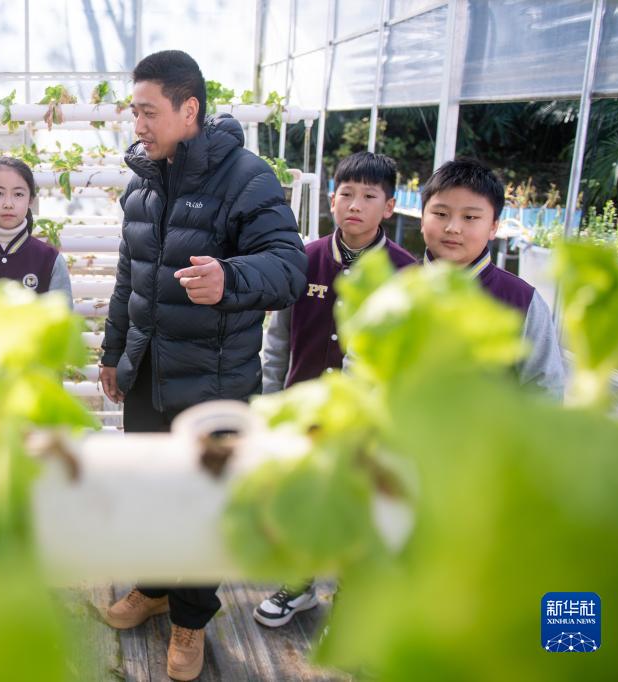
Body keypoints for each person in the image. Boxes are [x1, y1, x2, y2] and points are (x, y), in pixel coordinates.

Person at [98, 49, 308, 682]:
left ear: (189, 109)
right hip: (147, 376)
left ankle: (191, 619)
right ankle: (156, 586)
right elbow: (130, 276)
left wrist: (230, 278)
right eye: (134, 112)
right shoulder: (143, 182)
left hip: (214, 385)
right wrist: (113, 352)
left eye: (149, 112)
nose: (138, 125)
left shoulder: (247, 178)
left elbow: (288, 267)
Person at [255, 151, 416, 629]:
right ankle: (299, 584)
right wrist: (272, 403)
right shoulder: (305, 260)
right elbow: (278, 339)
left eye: (369, 196)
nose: (355, 205)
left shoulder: (406, 273)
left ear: (389, 206)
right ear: (331, 200)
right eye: (346, 194)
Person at [419, 158, 565, 399]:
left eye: (470, 217)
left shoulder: (522, 300)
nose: (453, 228)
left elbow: (545, 390)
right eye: (441, 214)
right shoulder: (394, 286)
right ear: (422, 219)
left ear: (493, 227)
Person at [0, 157, 72, 305]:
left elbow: (63, 316)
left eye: (18, 194)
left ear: (30, 200)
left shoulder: (50, 260)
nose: (8, 204)